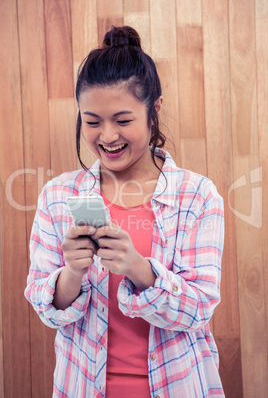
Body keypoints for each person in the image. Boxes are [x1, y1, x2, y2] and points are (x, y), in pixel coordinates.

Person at [25, 26, 225, 398]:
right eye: (92, 121)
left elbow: (198, 309)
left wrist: (138, 267)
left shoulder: (196, 196)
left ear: (155, 110)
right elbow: (45, 306)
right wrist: (72, 273)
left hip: (177, 385)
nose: (107, 136)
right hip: (82, 386)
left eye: (123, 119)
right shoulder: (58, 195)